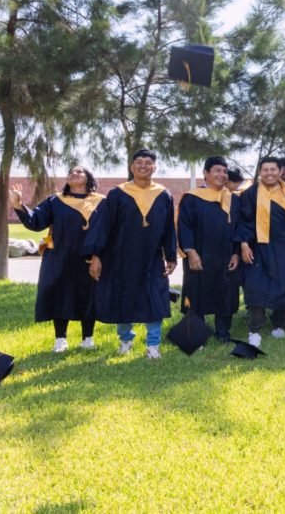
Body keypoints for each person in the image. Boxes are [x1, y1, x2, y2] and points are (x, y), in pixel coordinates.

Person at [84, 149, 177, 359]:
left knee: (155, 299)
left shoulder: (163, 195)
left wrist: (171, 256)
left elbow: (168, 228)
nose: (143, 166)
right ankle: (126, 340)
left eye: (148, 162)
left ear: (155, 167)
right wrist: (96, 256)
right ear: (132, 167)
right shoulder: (118, 194)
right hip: (120, 258)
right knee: (122, 299)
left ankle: (153, 345)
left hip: (152, 258)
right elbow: (103, 226)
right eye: (139, 162)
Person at [10, 166, 105, 352]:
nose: (74, 173)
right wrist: (18, 204)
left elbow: (106, 231)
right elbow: (36, 221)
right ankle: (61, 339)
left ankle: (88, 338)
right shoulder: (56, 201)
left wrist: (98, 256)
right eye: (71, 172)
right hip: (60, 256)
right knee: (60, 295)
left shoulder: (101, 202)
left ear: (89, 178)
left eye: (79, 172)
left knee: (89, 295)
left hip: (88, 257)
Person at [235, 156, 285, 347]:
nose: (269, 173)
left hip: (284, 246)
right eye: (265, 170)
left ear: (281, 171)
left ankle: (279, 324)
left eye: (273, 169)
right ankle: (255, 329)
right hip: (257, 246)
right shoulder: (250, 193)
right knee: (256, 286)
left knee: (283, 284)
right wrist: (244, 245)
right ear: (260, 172)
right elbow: (243, 221)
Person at [177, 156, 240, 343]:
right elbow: (184, 226)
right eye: (217, 170)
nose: (222, 174)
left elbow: (240, 227)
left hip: (226, 255)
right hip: (200, 255)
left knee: (226, 293)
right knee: (196, 293)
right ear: (205, 173)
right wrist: (191, 252)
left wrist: (236, 252)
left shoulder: (233, 199)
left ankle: (223, 333)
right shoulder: (192, 198)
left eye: (225, 171)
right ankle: (197, 336)